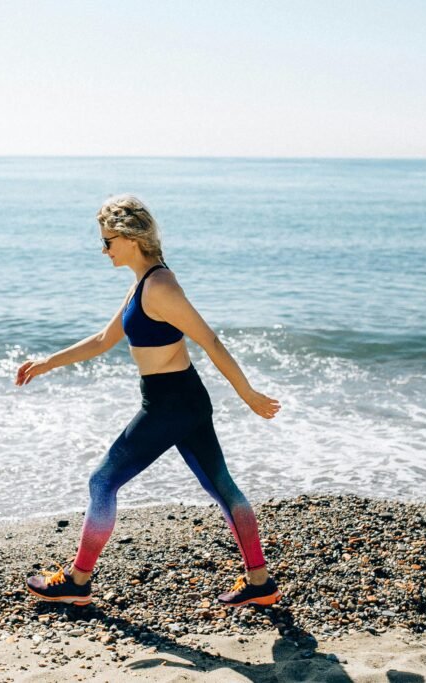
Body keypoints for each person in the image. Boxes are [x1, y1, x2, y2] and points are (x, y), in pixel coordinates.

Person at [15, 194, 281, 608]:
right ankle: (260, 583)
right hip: (179, 400)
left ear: (130, 238)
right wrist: (49, 362)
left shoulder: (159, 286)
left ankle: (78, 582)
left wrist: (247, 394)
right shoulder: (141, 282)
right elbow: (104, 340)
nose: (104, 250)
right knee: (222, 488)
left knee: (103, 481)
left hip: (171, 403)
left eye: (108, 241)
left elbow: (209, 339)